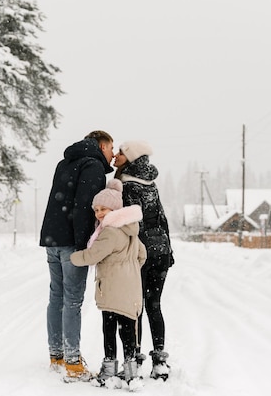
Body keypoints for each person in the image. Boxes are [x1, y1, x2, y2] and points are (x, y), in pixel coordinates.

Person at [39, 130, 115, 381]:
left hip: (53, 238)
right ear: (101, 145)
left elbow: (58, 200)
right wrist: (85, 245)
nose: (113, 155)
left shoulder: (65, 162)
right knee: (72, 300)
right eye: (111, 148)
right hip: (72, 241)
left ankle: (57, 356)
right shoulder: (92, 165)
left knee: (57, 296)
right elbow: (84, 207)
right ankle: (73, 364)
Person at [70, 179, 147, 385]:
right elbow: (142, 255)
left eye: (103, 208)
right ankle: (131, 371)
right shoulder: (130, 229)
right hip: (130, 288)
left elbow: (92, 256)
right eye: (96, 209)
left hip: (113, 288)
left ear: (114, 208)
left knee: (110, 329)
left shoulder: (110, 232)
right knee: (129, 330)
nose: (99, 213)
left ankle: (109, 369)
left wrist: (72, 258)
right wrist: (128, 270)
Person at [114, 140, 174, 381]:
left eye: (121, 152)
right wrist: (168, 249)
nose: (117, 155)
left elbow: (127, 223)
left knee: (134, 307)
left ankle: (135, 359)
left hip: (139, 251)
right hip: (161, 249)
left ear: (130, 157)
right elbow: (161, 217)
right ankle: (159, 361)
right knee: (155, 305)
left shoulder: (125, 185)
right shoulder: (151, 182)